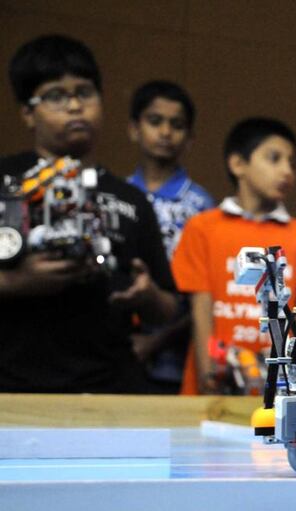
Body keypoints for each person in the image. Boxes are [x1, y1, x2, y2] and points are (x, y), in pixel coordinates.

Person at [0, 35, 178, 393]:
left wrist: (146, 295)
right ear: (27, 112)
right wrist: (17, 283)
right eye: (55, 96)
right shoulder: (5, 182)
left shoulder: (129, 199)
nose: (74, 106)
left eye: (85, 92)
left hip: (110, 387)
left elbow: (169, 308)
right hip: (14, 386)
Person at [171, 117, 296, 394]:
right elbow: (201, 309)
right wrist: (208, 377)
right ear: (237, 164)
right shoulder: (203, 228)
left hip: (282, 390)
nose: (286, 170)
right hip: (216, 387)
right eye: (274, 158)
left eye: (291, 162)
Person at [127, 80, 215, 393]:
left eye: (176, 125)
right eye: (155, 121)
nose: (165, 132)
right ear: (134, 128)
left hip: (176, 359)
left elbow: (206, 297)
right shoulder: (118, 197)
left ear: (189, 138)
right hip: (119, 355)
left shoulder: (202, 207)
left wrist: (156, 341)